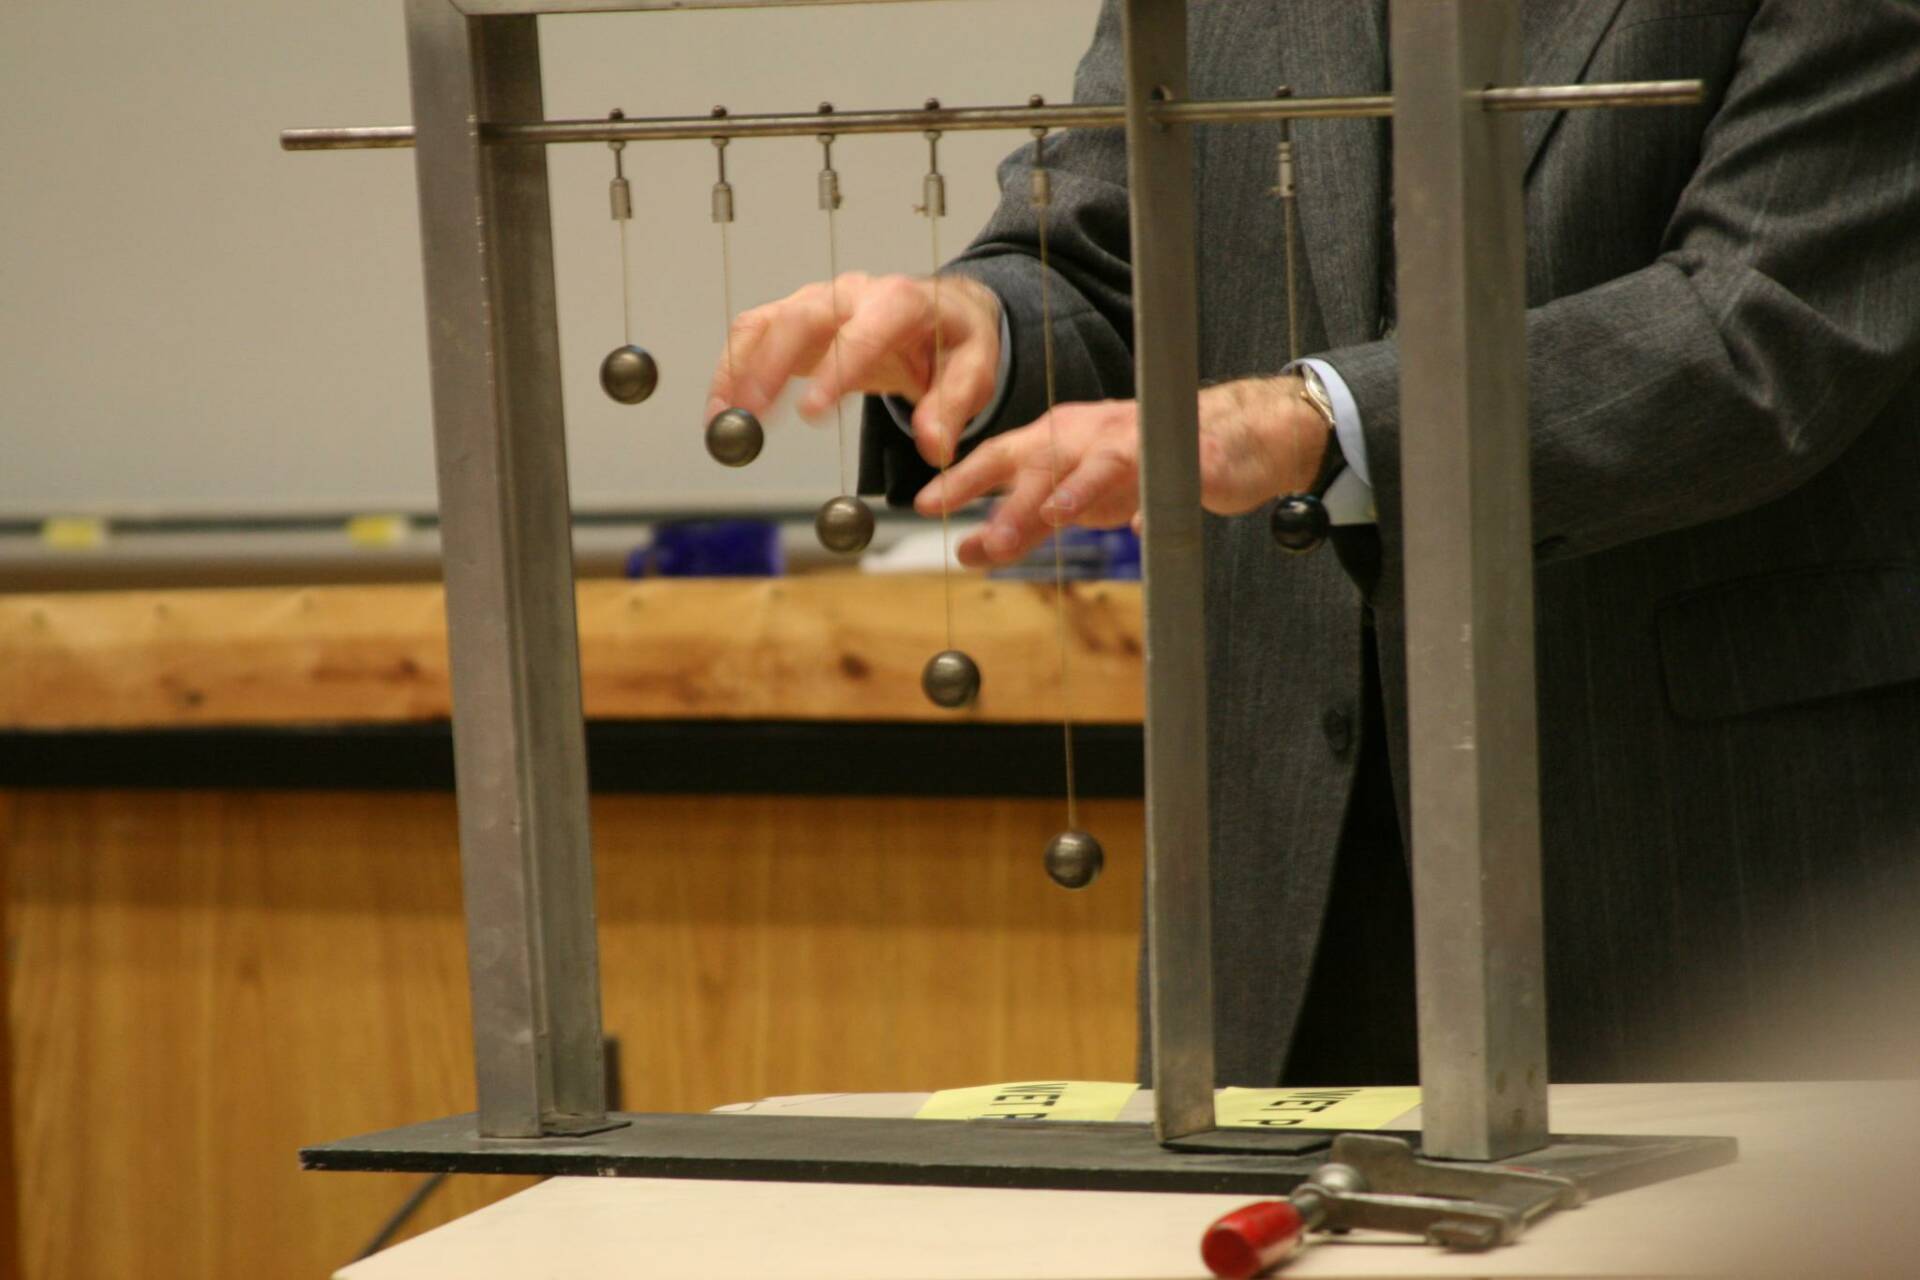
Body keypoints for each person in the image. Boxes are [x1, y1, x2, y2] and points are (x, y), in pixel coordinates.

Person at [706, 0, 1920, 1085]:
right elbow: (1103, 254)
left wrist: (1318, 418)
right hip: (1289, 870)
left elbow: (1761, 324)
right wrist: (986, 325)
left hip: (1702, 854)